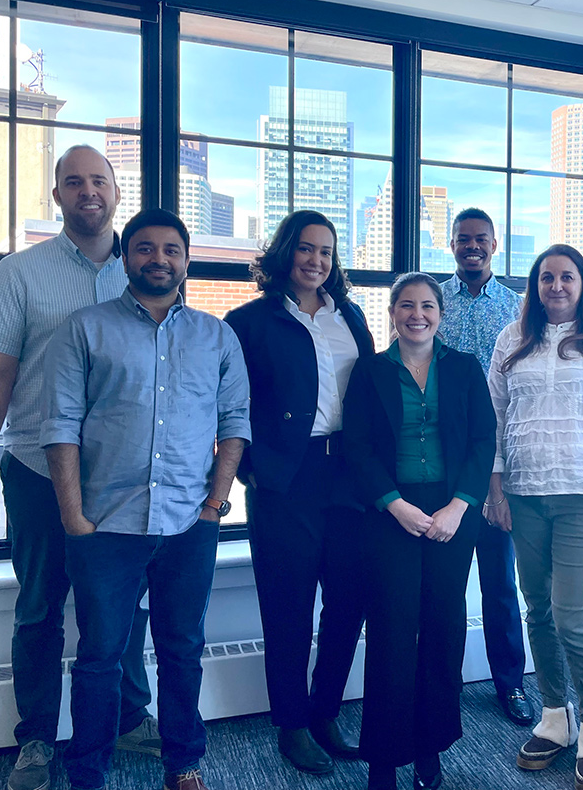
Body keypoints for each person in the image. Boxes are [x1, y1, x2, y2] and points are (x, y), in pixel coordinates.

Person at [0, 145, 158, 790]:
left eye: (98, 180)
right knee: (40, 609)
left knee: (125, 608)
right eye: (73, 182)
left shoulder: (143, 271)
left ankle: (130, 718)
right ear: (57, 196)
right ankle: (38, 741)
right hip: (37, 471)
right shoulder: (21, 272)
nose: (87, 192)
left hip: (123, 479)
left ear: (115, 192)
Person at [40, 208, 250, 790]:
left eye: (171, 250)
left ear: (186, 259)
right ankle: (88, 773)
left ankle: (183, 763)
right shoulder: (85, 328)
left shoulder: (217, 335)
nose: (159, 259)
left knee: (183, 650)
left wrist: (214, 505)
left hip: (189, 525)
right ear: (125, 256)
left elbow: (235, 423)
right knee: (100, 658)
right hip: (104, 527)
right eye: (145, 248)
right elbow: (60, 425)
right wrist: (73, 517)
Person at [486, 244, 583, 790]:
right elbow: (496, 418)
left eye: (567, 277)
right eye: (546, 277)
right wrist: (496, 487)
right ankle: (555, 717)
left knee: (572, 615)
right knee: (537, 610)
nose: (556, 285)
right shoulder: (511, 339)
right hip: (526, 493)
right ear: (534, 285)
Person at [223, 210, 374, 775]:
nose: (316, 261)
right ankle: (292, 724)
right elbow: (227, 404)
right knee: (288, 607)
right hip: (286, 478)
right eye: (306, 249)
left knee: (347, 601)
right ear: (285, 252)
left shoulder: (350, 316)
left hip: (349, 475)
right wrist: (250, 470)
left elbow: (370, 391)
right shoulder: (248, 322)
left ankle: (325, 711)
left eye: (327, 252)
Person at [343, 272, 496, 790]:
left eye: (427, 306)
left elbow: (482, 441)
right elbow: (357, 447)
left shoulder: (466, 368)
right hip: (391, 512)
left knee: (443, 629)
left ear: (440, 313)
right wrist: (393, 505)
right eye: (406, 305)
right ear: (392, 313)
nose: (417, 315)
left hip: (453, 512)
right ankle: (385, 756)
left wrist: (460, 506)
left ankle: (430, 746)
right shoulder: (370, 372)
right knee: (390, 630)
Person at [435, 206, 532, 726]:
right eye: (463, 239)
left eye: (481, 239)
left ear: (496, 244)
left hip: (498, 469)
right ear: (451, 244)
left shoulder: (519, 309)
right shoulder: (435, 302)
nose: (472, 247)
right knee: (444, 588)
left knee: (500, 585)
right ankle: (439, 685)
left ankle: (511, 685)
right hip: (442, 467)